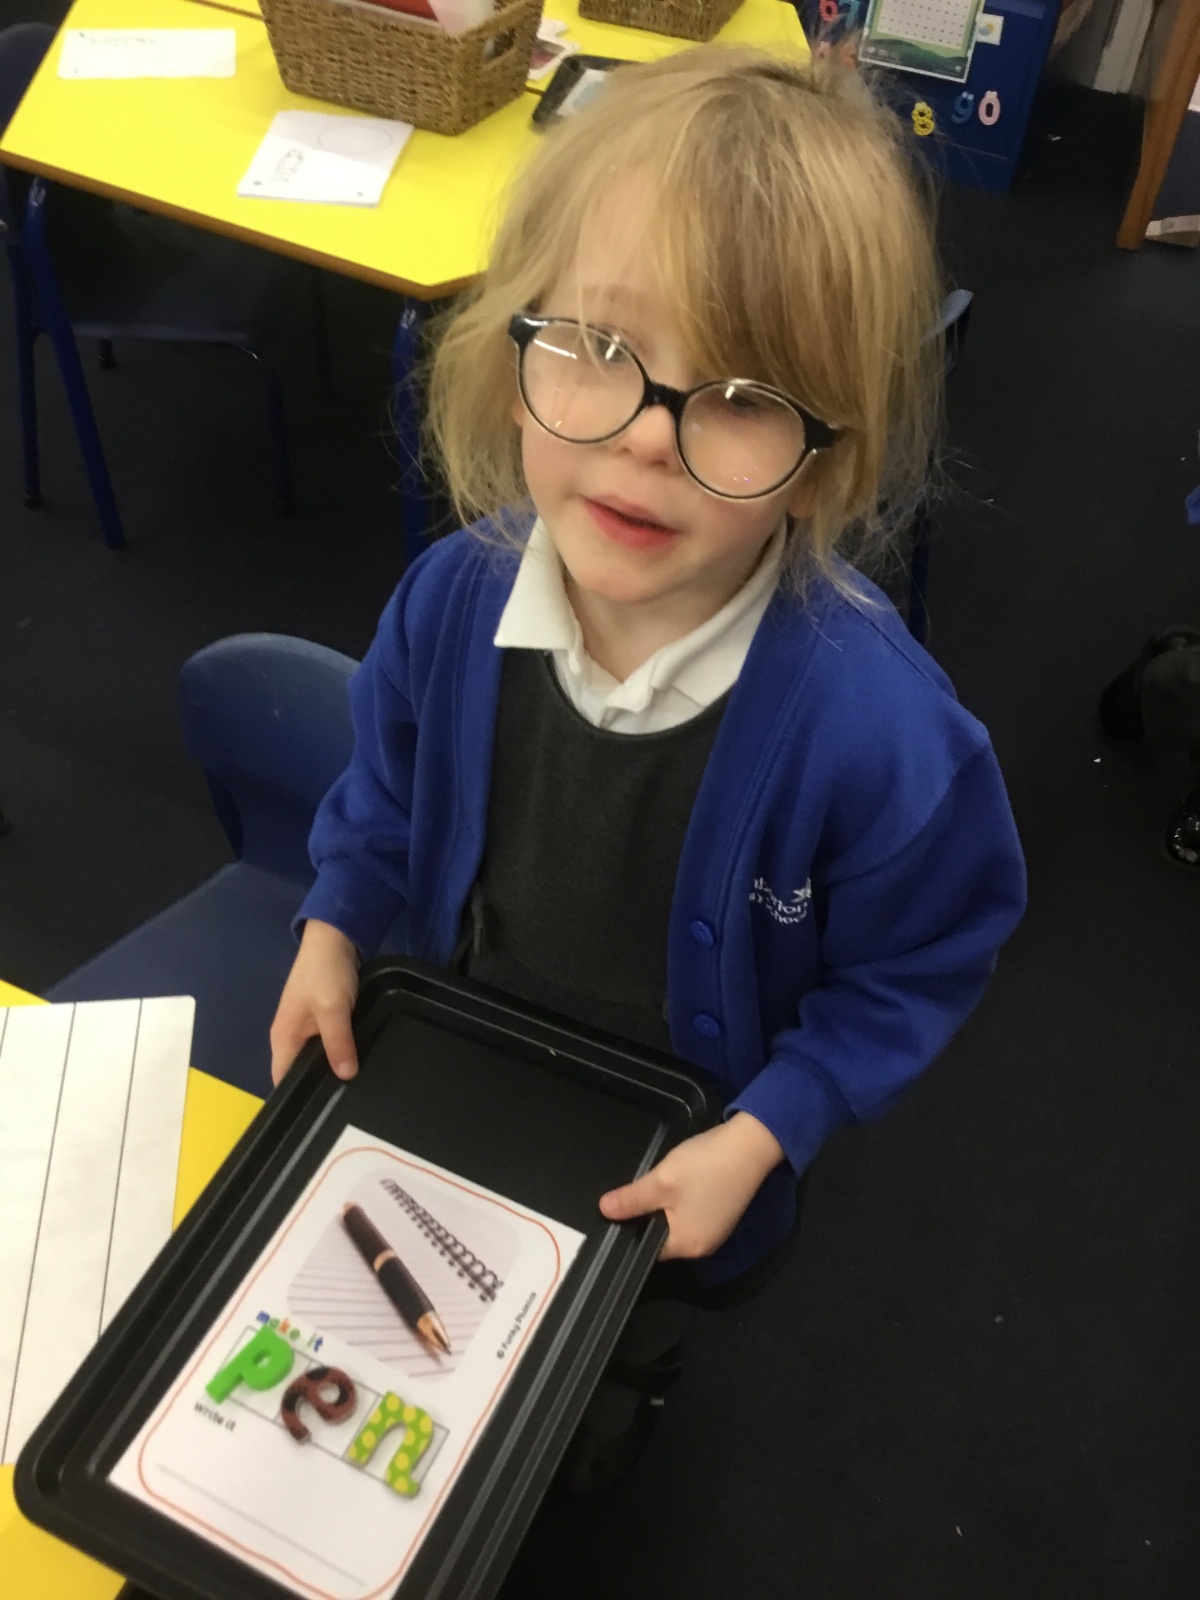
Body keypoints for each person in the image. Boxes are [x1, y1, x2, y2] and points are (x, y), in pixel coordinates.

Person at [269, 46, 1026, 1487]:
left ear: (827, 459)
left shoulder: (881, 733)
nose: (644, 438)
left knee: (614, 1330)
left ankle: (615, 1382)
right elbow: (382, 794)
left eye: (740, 393)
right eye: (597, 344)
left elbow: (921, 961)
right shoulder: (449, 600)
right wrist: (332, 924)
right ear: (513, 353)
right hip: (470, 1066)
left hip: (687, 1135)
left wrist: (774, 1128)